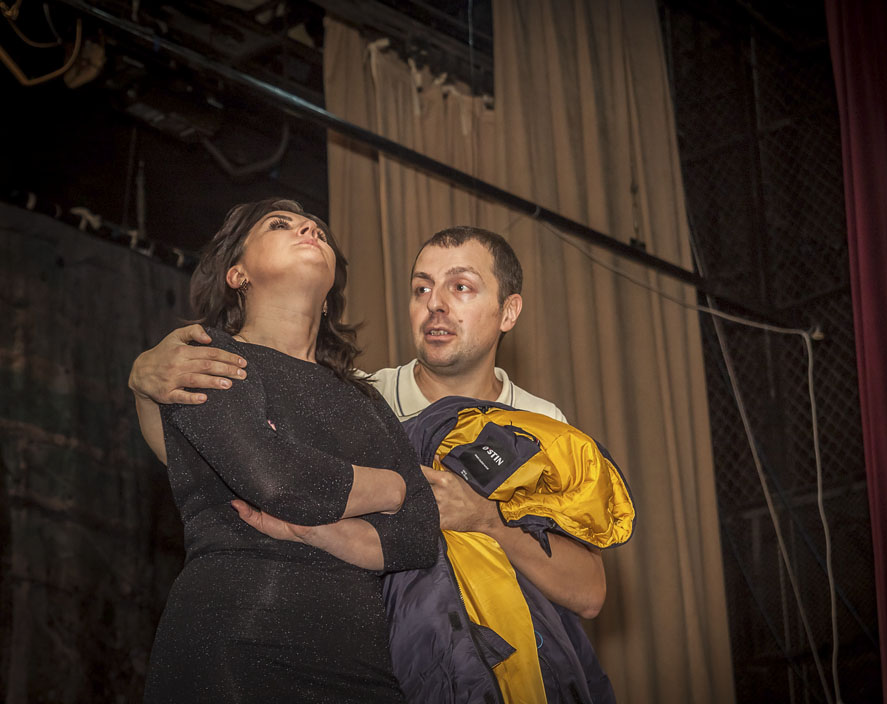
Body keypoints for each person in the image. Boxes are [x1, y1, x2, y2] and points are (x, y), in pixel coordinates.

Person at [131, 226, 607, 620]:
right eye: (422, 288)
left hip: (498, 667)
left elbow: (588, 593)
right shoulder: (363, 398)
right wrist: (144, 385)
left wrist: (487, 520)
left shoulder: (544, 427)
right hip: (376, 654)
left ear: (509, 311)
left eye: (461, 287)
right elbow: (220, 467)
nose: (435, 304)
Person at [137, 198, 438, 703]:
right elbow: (278, 482)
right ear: (238, 274)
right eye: (281, 225)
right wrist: (391, 488)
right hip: (235, 644)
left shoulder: (366, 399)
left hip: (361, 662)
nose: (309, 230)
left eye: (318, 230)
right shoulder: (208, 355)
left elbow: (420, 536)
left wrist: (313, 530)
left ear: (330, 293)